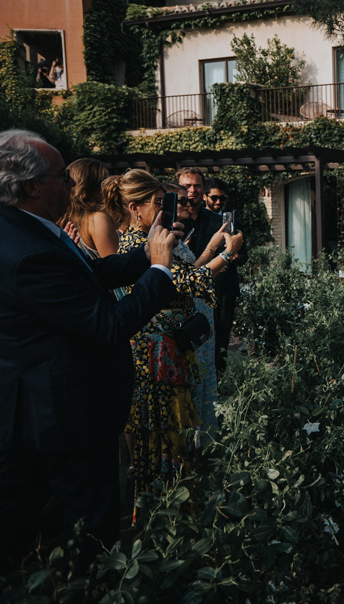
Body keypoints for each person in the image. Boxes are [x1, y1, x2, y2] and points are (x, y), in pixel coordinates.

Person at [0, 130, 177, 568]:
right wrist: (158, 271)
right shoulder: (26, 252)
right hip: (65, 416)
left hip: (47, 410)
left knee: (35, 526)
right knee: (87, 533)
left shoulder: (24, 230)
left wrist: (144, 255)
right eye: (63, 177)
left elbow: (84, 277)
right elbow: (108, 324)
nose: (73, 186)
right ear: (31, 187)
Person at [107, 170, 240, 515]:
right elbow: (185, 284)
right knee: (164, 431)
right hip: (155, 354)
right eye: (158, 204)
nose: (165, 211)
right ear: (136, 209)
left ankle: (161, 509)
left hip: (163, 347)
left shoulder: (148, 239)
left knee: (166, 430)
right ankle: (166, 513)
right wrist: (226, 255)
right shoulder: (141, 244)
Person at [167, 182, 242, 431]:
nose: (189, 202)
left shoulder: (176, 237)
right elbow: (189, 282)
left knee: (203, 379)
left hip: (199, 314)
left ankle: (201, 447)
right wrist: (227, 254)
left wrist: (212, 247)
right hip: (186, 320)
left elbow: (193, 270)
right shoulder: (163, 242)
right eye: (182, 200)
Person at [179, 168, 245, 375]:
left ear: (202, 189)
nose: (192, 191)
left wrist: (231, 257)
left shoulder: (220, 222)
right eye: (186, 186)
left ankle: (217, 389)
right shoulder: (173, 222)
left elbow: (242, 255)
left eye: (196, 186)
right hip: (185, 295)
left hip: (220, 292)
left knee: (220, 345)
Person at [57, 158, 119, 258]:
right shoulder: (97, 219)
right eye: (105, 182)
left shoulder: (63, 218)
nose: (109, 187)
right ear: (91, 187)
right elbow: (116, 266)